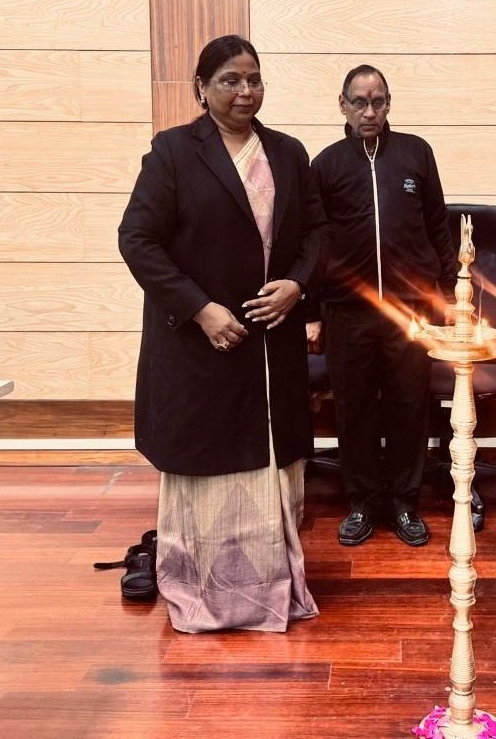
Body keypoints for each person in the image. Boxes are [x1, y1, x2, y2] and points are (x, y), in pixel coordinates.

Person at [118, 35, 328, 633]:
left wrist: (297, 285)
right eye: (231, 80)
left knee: (269, 463)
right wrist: (200, 309)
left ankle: (271, 586)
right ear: (202, 88)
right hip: (201, 344)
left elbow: (317, 234)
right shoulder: (173, 153)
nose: (246, 91)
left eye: (254, 79)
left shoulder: (287, 154)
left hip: (271, 340)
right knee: (211, 464)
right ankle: (207, 590)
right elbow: (138, 240)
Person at [308, 65, 457, 548]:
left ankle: (405, 502)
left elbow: (438, 224)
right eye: (359, 102)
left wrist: (450, 293)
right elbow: (313, 241)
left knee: (409, 405)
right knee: (353, 409)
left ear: (388, 103)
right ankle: (362, 500)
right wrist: (312, 310)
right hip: (347, 310)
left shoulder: (416, 154)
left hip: (409, 309)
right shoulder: (326, 164)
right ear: (343, 105)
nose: (369, 112)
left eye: (378, 102)